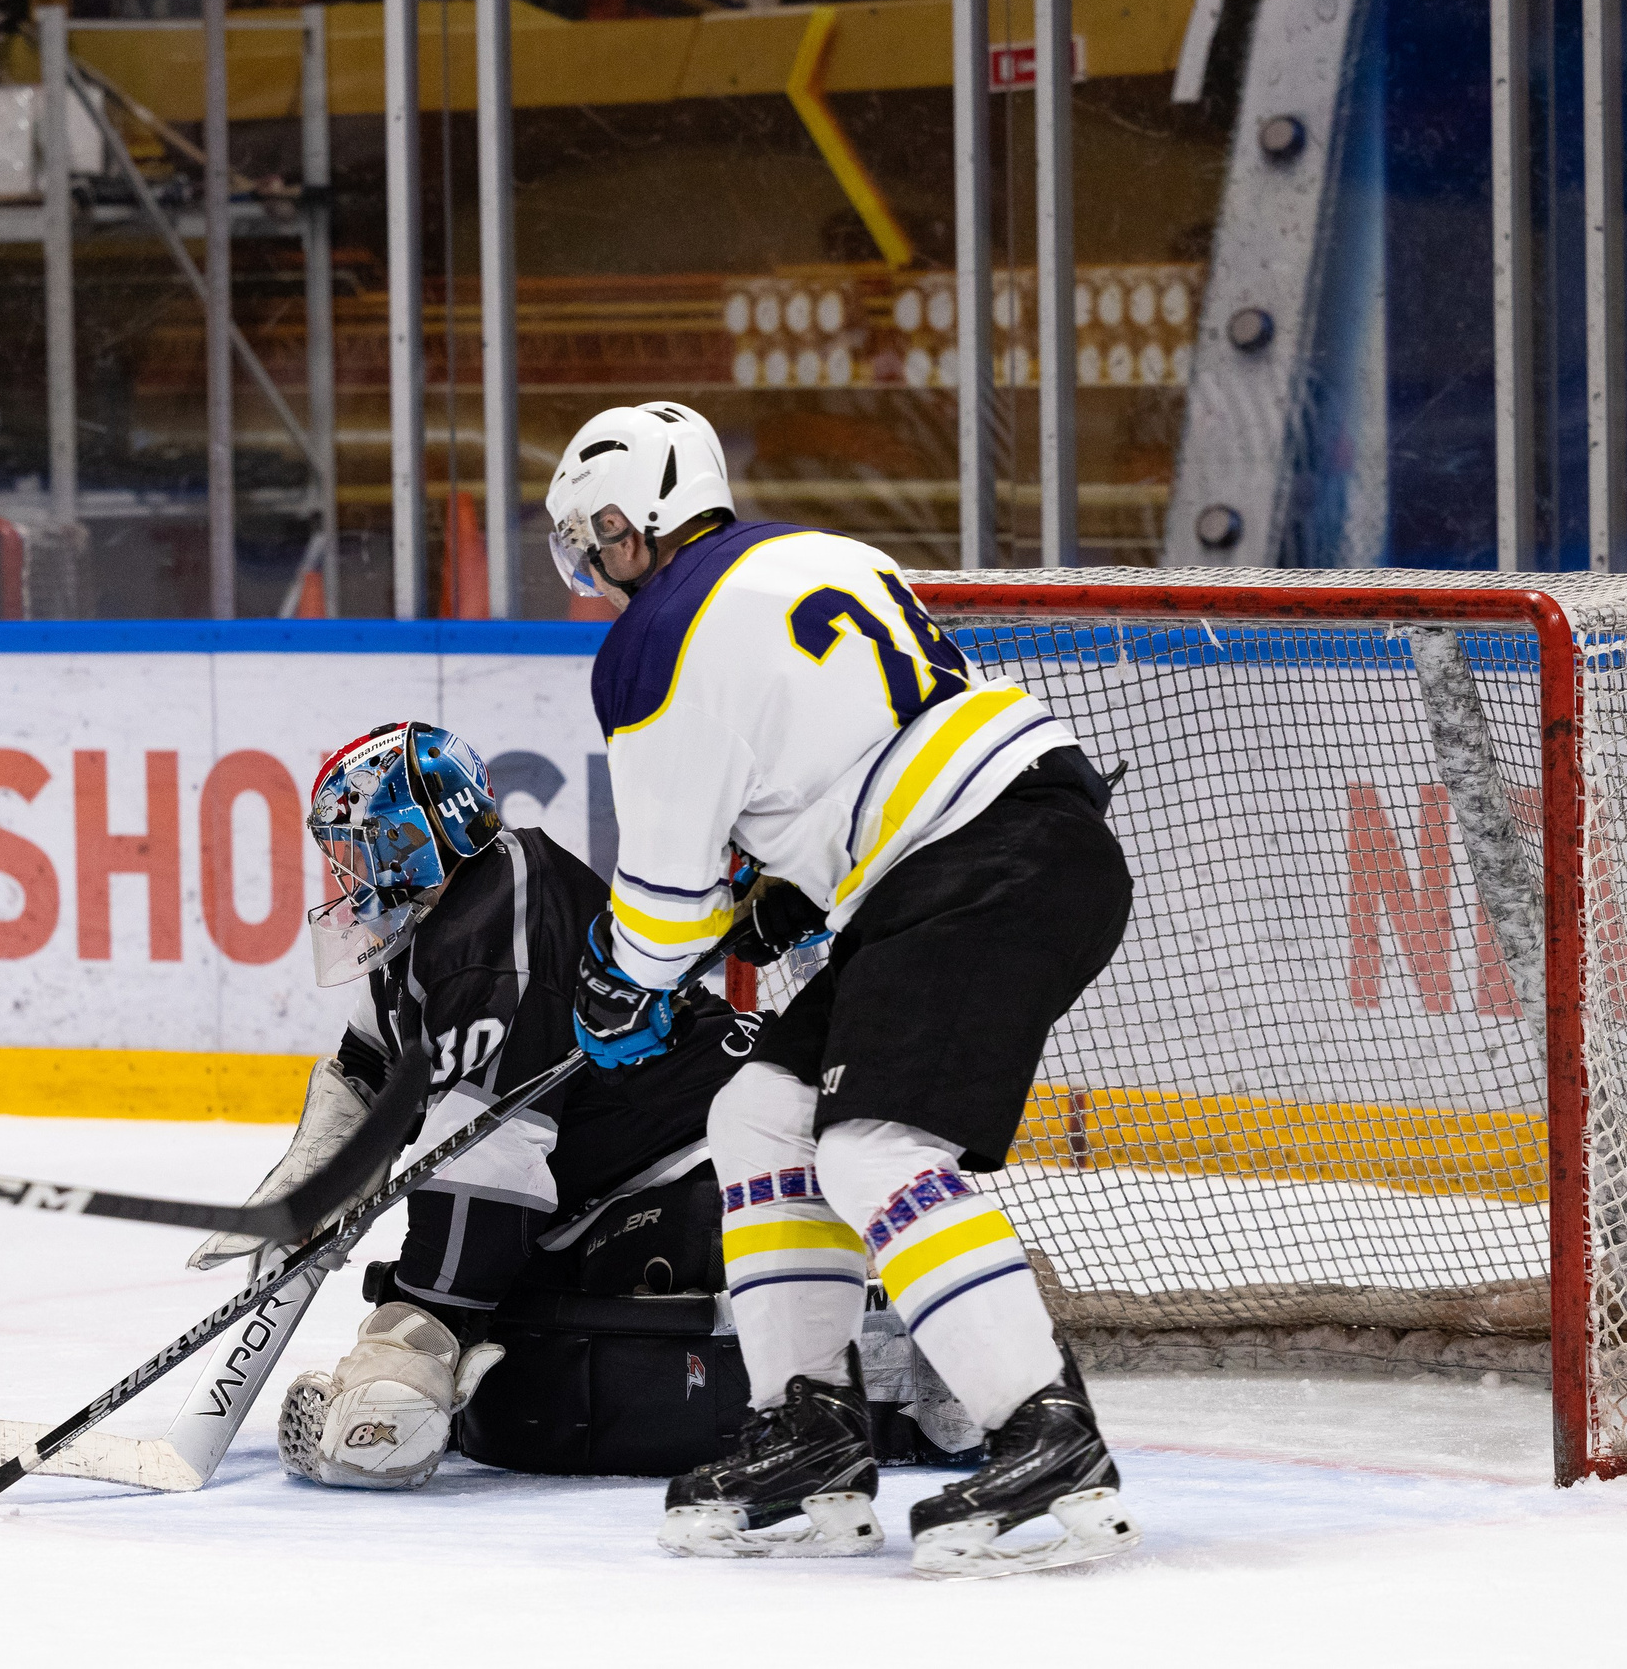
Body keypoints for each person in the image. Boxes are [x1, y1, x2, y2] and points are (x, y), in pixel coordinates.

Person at [546, 401, 1139, 1577]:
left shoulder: (653, 641)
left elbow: (662, 902)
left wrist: (619, 987)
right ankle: (808, 1425)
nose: (597, 570)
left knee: (871, 1146)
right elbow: (866, 750)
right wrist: (797, 891)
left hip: (980, 862)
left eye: (598, 536)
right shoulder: (822, 553)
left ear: (641, 515)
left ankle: (1045, 1429)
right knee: (757, 1112)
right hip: (987, 847)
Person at [189, 721, 778, 1490]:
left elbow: (487, 1155)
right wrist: (311, 1195)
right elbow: (368, 1070)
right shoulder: (434, 918)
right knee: (504, 1330)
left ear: (416, 836)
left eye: (366, 845)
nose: (353, 871)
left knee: (446, 1369)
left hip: (708, 1169)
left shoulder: (493, 931)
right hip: (615, 1181)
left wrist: (411, 1335)